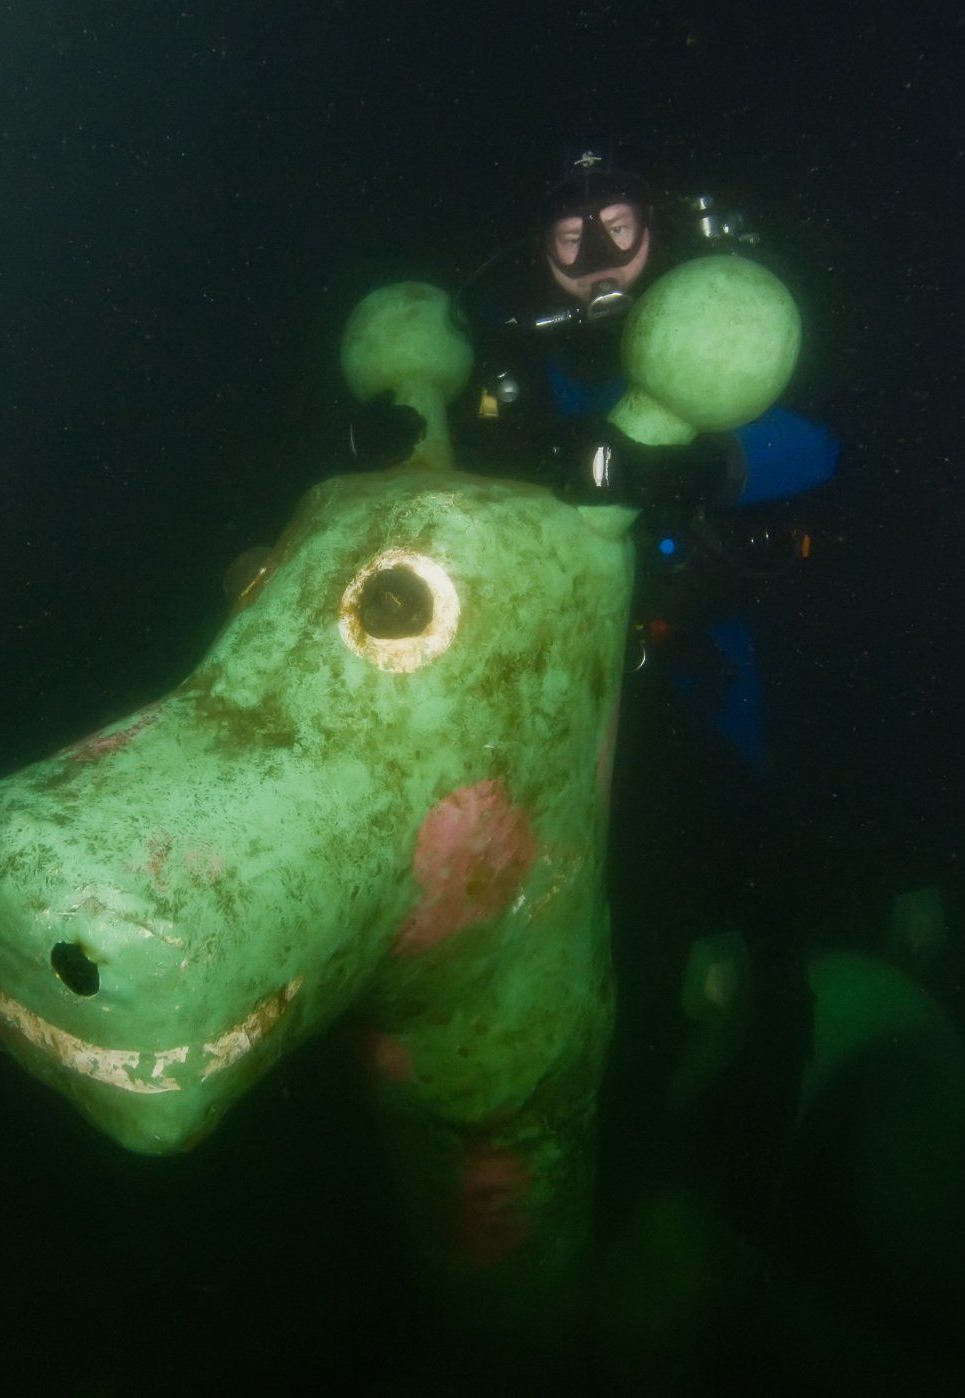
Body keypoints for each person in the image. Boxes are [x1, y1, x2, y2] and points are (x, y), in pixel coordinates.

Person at [350, 150, 839, 1224]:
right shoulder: (523, 370)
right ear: (541, 253)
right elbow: (459, 508)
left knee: (765, 936)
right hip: (553, 705)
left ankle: (739, 1200)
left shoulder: (719, 322)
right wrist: (398, 450)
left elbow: (813, 443)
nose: (600, 257)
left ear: (658, 226)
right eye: (572, 239)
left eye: (619, 226)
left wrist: (687, 465)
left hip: (700, 691)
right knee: (612, 935)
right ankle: (591, 1177)